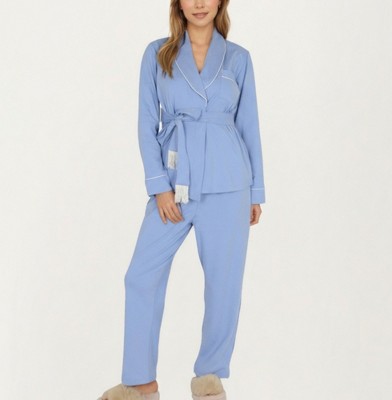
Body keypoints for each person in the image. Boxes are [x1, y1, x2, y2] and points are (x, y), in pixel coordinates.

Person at [98, 0, 266, 399]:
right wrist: (159, 186)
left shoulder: (239, 58)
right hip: (175, 181)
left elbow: (249, 125)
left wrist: (255, 191)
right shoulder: (157, 53)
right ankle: (141, 382)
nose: (200, 4)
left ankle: (209, 376)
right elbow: (146, 122)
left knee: (224, 283)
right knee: (140, 275)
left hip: (228, 182)